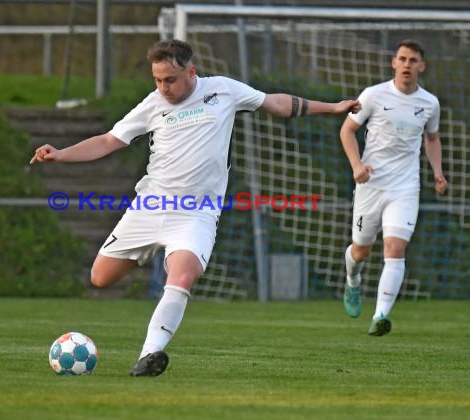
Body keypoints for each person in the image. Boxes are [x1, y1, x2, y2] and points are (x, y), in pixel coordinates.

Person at [31, 39, 360, 376]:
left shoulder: (223, 91)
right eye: (157, 80)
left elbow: (275, 103)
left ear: (191, 72)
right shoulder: (152, 104)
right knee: (100, 278)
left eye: (170, 79)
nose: (163, 87)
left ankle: (149, 355)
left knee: (183, 275)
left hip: (196, 213)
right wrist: (61, 153)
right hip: (151, 206)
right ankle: (149, 251)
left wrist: (332, 108)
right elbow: (109, 140)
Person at [339, 39, 447, 336]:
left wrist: (437, 172)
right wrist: (357, 166)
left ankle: (381, 315)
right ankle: (352, 282)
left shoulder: (429, 103)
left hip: (405, 187)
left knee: (395, 247)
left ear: (421, 67)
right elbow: (347, 130)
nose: (407, 65)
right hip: (371, 185)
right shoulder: (374, 95)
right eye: (403, 59)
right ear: (394, 63)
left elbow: (432, 138)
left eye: (413, 60)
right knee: (361, 251)